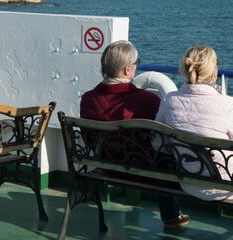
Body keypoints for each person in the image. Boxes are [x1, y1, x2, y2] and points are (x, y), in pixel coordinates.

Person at [80, 40, 190, 230]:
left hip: (105, 165)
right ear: (126, 70)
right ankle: (171, 215)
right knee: (167, 157)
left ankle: (172, 215)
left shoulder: (88, 99)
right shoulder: (148, 100)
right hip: (143, 171)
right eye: (136, 63)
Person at [155, 45, 233, 238]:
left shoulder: (169, 100)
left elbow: (158, 143)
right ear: (214, 70)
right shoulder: (226, 104)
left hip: (188, 181)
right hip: (225, 188)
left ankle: (170, 217)